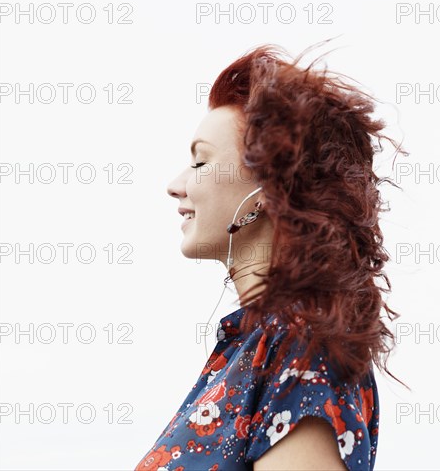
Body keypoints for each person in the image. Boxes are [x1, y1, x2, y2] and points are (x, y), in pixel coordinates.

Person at [135, 41, 406, 471]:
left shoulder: (301, 346)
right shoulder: (255, 345)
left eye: (201, 162)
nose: (175, 184)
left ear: (270, 188)